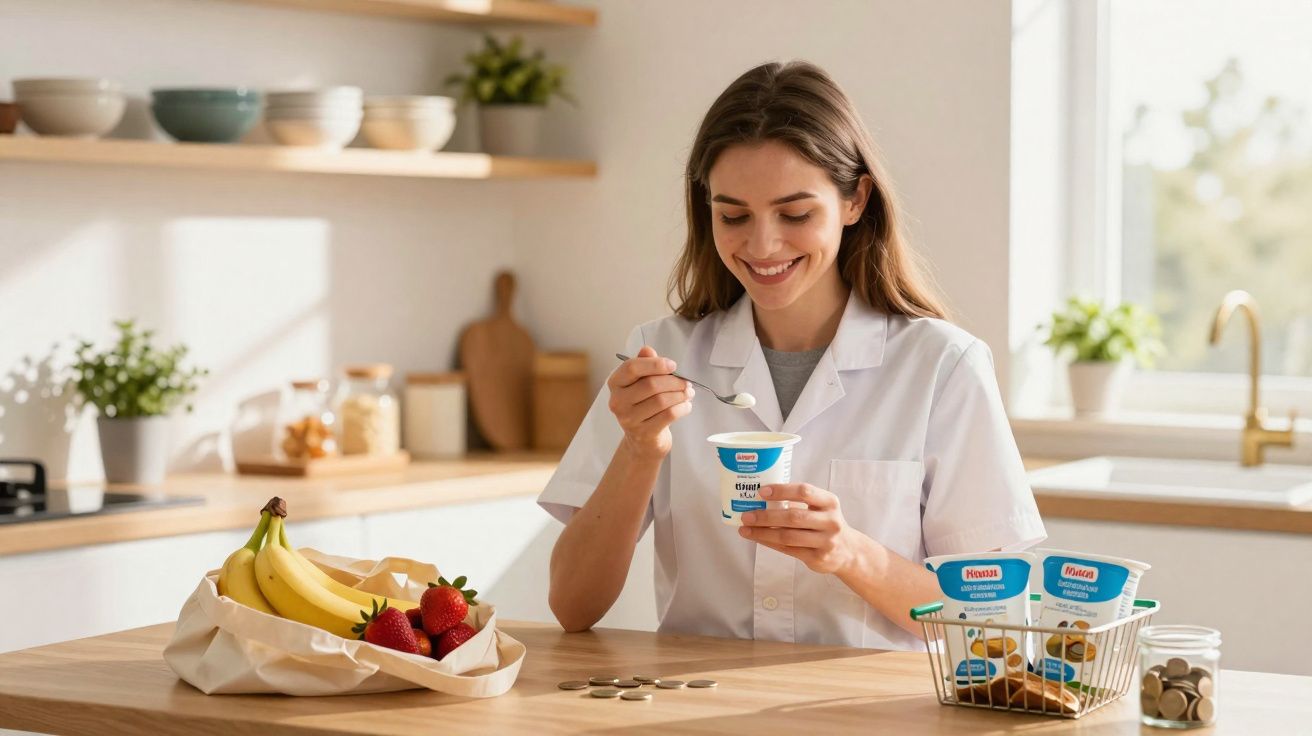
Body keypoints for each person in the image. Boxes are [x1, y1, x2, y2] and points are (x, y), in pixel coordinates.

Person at [537, 60, 1044, 650]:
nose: (762, 244)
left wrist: (849, 552)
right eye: (733, 215)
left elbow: (990, 623)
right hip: (697, 703)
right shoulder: (664, 358)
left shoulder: (942, 367)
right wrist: (640, 449)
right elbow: (572, 606)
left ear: (855, 200)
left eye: (795, 214)